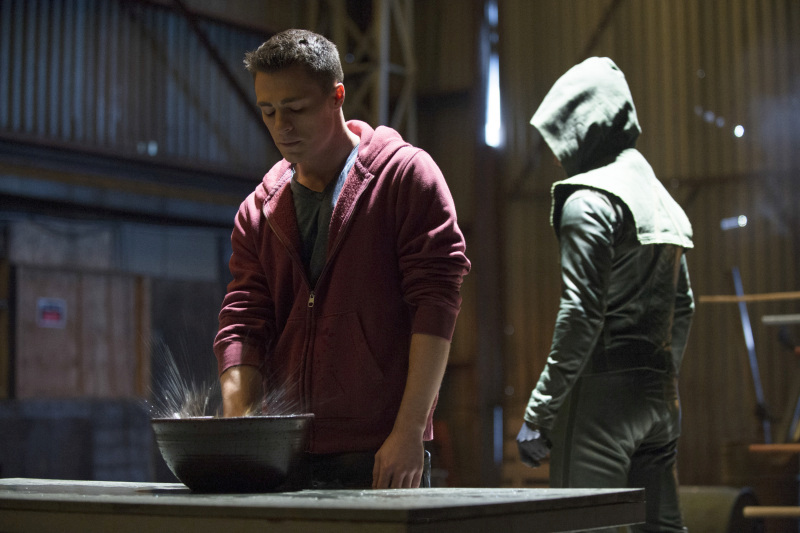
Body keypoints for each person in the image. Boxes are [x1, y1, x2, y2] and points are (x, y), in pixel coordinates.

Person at [213, 29, 470, 490]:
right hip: (283, 456)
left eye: (295, 109)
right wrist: (241, 431)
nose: (281, 126)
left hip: (382, 453)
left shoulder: (405, 178)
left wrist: (410, 432)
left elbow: (435, 304)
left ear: (337, 97)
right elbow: (244, 322)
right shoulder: (258, 210)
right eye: (268, 111)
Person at [516, 57, 694, 532]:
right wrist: (660, 376)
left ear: (583, 128)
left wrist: (540, 411)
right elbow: (683, 306)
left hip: (601, 398)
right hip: (661, 399)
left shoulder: (588, 200)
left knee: (584, 525)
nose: (557, 155)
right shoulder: (662, 202)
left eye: (562, 136)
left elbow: (581, 312)